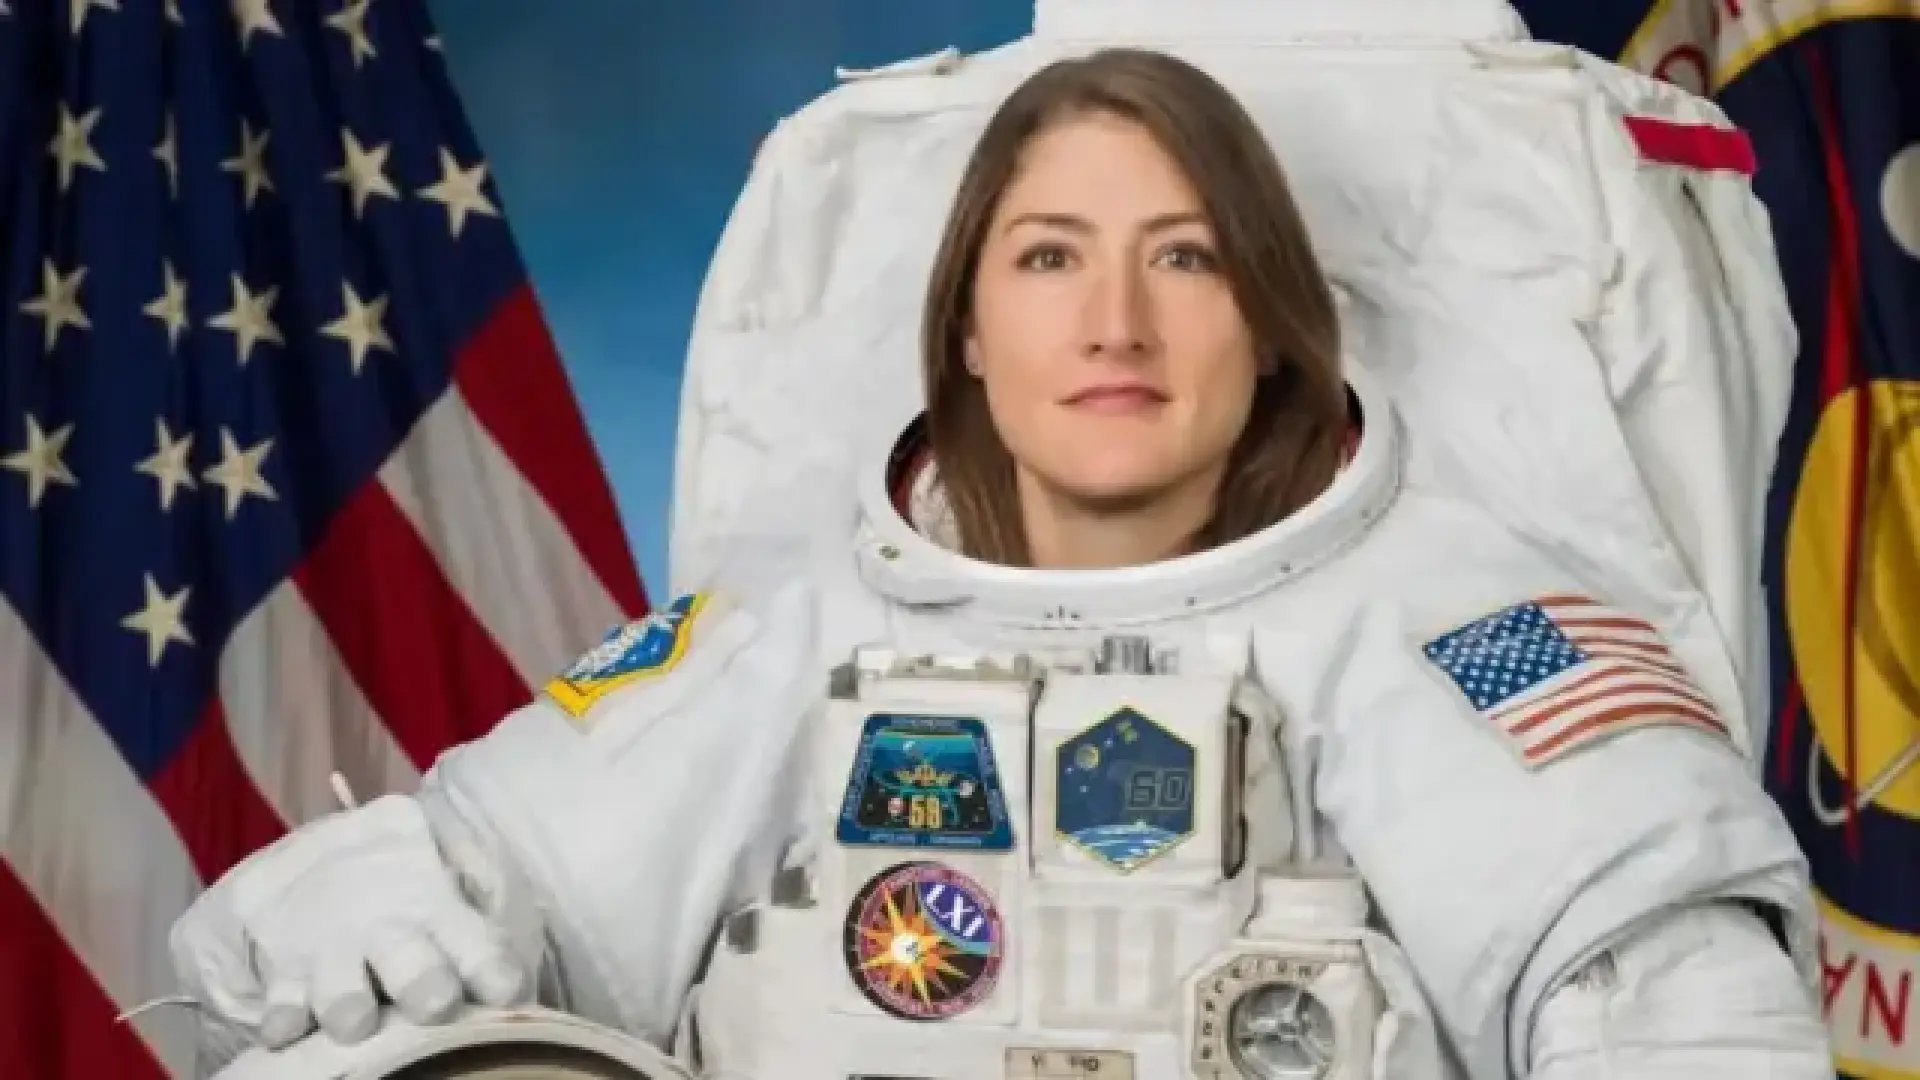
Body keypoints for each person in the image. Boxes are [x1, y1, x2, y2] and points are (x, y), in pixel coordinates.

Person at [170, 48, 1833, 1080]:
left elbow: (1681, 1020)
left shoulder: (1467, 629)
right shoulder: (793, 621)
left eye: (1185, 258)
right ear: (965, 323)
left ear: (1270, 322)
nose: (1114, 324)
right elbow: (457, 904)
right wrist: (353, 909)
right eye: (1049, 259)